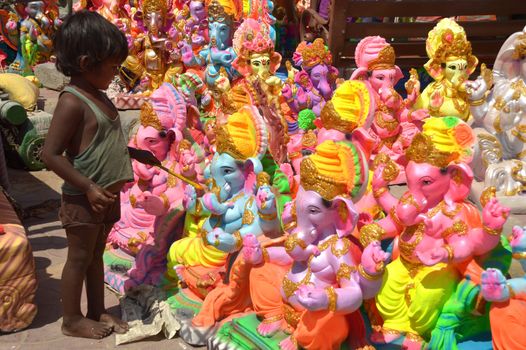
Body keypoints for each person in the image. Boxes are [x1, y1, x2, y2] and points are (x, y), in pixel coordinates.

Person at [42, 10, 158, 339]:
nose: (115, 72)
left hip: (106, 196)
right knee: (79, 257)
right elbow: (50, 154)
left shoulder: (101, 95)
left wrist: (134, 153)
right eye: (111, 66)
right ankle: (71, 319)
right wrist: (89, 187)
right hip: (83, 198)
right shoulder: (72, 102)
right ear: (85, 62)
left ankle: (96, 311)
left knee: (95, 256)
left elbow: (103, 140)